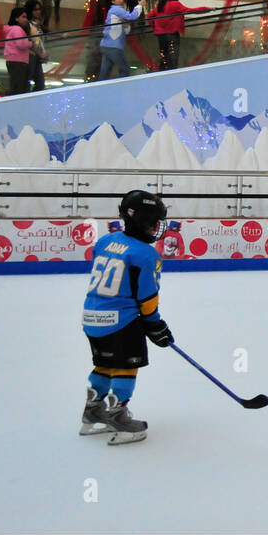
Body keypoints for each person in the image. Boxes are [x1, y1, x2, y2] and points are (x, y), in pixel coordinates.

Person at [79, 190, 173, 445]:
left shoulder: (105, 241)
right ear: (139, 219)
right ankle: (118, 415)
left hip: (91, 317)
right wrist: (155, 325)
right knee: (125, 365)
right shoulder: (145, 254)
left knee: (105, 363)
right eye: (153, 221)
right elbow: (147, 296)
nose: (156, 227)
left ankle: (93, 412)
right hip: (120, 321)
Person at [148, 0, 209, 71]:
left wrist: (155, 28)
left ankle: (162, 75)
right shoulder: (175, 4)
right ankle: (171, 76)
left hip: (161, 36)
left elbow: (149, 16)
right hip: (172, 35)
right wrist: (207, 9)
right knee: (173, 58)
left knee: (164, 58)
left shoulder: (161, 5)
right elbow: (190, 10)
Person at [99, 0, 143, 81]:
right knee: (125, 69)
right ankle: (120, 89)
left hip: (106, 45)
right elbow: (132, 16)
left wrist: (125, 23)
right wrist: (140, 6)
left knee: (105, 72)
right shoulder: (116, 9)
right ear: (113, 1)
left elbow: (125, 29)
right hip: (114, 46)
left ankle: (99, 91)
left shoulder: (112, 11)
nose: (122, 1)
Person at [3, 6, 32, 95]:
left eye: (26, 17)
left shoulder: (12, 30)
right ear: (16, 18)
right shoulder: (17, 29)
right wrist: (30, 43)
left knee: (16, 85)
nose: (25, 19)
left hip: (13, 60)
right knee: (19, 87)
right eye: (23, 17)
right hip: (18, 61)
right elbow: (21, 44)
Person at [23, 0, 47, 92]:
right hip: (31, 55)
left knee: (40, 83)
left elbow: (45, 33)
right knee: (28, 80)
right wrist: (40, 53)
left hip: (36, 55)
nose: (38, 12)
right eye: (35, 10)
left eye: (39, 9)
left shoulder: (37, 24)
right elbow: (30, 43)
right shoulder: (28, 24)